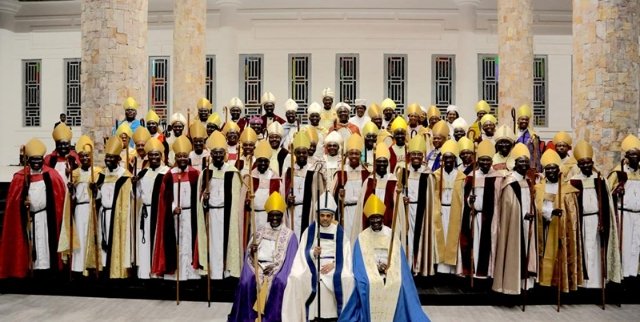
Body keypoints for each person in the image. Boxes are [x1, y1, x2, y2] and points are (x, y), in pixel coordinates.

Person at [339, 195, 430, 322]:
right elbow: (360, 263)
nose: (375, 221)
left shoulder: (391, 235)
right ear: (368, 219)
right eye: (372, 218)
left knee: (397, 282)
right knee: (370, 284)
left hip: (389, 270)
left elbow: (398, 260)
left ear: (383, 218)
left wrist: (389, 268)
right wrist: (375, 269)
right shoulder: (362, 237)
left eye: (378, 217)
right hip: (370, 272)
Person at [282, 192, 354, 322]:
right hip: (313, 263)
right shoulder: (310, 230)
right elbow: (302, 252)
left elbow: (346, 252)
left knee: (347, 278)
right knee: (296, 278)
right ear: (317, 215)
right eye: (322, 215)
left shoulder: (338, 230)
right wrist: (312, 253)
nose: (325, 218)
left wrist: (334, 264)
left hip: (334, 264)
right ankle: (309, 315)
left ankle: (338, 315)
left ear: (332, 216)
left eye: (328, 216)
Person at [0, 138, 66, 278]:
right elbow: (14, 202)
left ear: (42, 159)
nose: (36, 163)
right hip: (29, 217)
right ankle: (29, 269)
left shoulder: (52, 175)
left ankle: (46, 270)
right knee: (29, 242)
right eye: (33, 160)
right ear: (28, 161)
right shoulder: (20, 177)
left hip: (45, 217)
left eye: (39, 159)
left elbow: (59, 198)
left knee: (45, 243)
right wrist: (22, 204)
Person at [228, 192, 298, 322]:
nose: (275, 218)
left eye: (278, 215)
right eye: (272, 215)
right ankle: (248, 318)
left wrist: (275, 269)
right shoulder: (259, 231)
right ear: (268, 216)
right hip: (257, 265)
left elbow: (290, 260)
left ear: (282, 216)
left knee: (280, 283)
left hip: (277, 267)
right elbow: (249, 255)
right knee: (246, 282)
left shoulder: (289, 235)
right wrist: (251, 251)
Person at [569, 140, 621, 288]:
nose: (586, 166)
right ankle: (583, 284)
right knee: (584, 250)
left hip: (597, 221)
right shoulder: (573, 181)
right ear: (578, 165)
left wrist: (603, 221)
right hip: (582, 222)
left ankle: (597, 283)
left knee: (597, 251)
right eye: (583, 163)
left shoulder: (600, 180)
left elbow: (607, 203)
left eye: (588, 163)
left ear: (592, 163)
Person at [151, 136, 201, 281]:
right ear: (176, 157)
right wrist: (173, 208)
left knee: (190, 244)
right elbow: (165, 197)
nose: (182, 158)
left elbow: (199, 195)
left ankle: (191, 275)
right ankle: (176, 276)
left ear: (188, 157)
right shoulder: (169, 175)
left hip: (191, 214)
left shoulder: (195, 174)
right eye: (179, 156)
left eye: (185, 156)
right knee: (176, 244)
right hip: (175, 216)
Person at [492, 143, 537, 294]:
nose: (524, 164)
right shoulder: (510, 182)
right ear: (514, 164)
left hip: (527, 224)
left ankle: (525, 285)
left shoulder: (528, 181)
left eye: (526, 161)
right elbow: (507, 206)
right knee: (514, 251)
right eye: (520, 162)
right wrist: (521, 215)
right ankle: (511, 286)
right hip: (515, 226)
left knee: (526, 251)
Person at [534, 149, 582, 292]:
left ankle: (561, 281)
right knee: (545, 254)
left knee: (561, 253)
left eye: (554, 168)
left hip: (562, 226)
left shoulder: (566, 187)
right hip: (545, 224)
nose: (551, 171)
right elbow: (536, 206)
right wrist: (550, 212)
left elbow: (572, 210)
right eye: (548, 169)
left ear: (558, 169)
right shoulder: (538, 187)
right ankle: (544, 282)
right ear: (544, 171)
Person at [198, 131, 243, 279]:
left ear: (225, 154)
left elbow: (237, 197)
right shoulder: (205, 172)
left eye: (220, 153)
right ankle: (213, 274)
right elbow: (199, 198)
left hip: (226, 214)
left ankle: (227, 273)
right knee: (213, 244)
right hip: (211, 215)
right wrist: (204, 200)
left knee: (226, 243)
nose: (217, 156)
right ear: (210, 154)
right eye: (215, 153)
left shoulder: (233, 172)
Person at [458, 140, 503, 280]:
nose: (485, 163)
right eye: (482, 160)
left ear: (491, 161)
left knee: (488, 245)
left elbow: (500, 198)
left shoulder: (498, 177)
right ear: (478, 161)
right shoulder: (471, 176)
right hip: (475, 216)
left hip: (491, 217)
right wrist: (469, 202)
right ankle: (473, 270)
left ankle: (488, 271)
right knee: (474, 243)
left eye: (487, 160)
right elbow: (465, 196)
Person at [97, 136, 133, 278]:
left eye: (112, 158)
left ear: (118, 159)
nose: (109, 160)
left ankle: (117, 272)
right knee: (103, 242)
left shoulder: (124, 175)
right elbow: (98, 196)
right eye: (107, 157)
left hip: (118, 216)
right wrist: (94, 191)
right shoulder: (101, 174)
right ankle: (104, 270)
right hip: (104, 214)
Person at [66, 135, 102, 275]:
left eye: (87, 156)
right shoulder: (74, 173)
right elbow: (73, 196)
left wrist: (95, 190)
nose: (85, 158)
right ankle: (78, 267)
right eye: (82, 156)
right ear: (79, 158)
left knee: (92, 237)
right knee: (80, 237)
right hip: (80, 209)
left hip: (92, 208)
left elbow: (101, 195)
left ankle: (92, 266)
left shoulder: (98, 172)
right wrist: (71, 190)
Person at [133, 137, 169, 279]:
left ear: (161, 155)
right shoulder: (143, 173)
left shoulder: (166, 172)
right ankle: (145, 274)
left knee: (157, 242)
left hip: (160, 213)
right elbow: (137, 196)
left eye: (156, 154)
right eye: (151, 154)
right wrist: (134, 184)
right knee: (145, 243)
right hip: (145, 212)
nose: (154, 157)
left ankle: (158, 273)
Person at [352, 142, 400, 240]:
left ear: (388, 163)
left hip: (388, 220)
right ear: (375, 163)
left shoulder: (393, 181)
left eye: (384, 161)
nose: (382, 164)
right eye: (379, 161)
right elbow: (362, 204)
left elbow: (398, 207)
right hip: (371, 222)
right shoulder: (369, 181)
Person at [403, 134, 436, 274]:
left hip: (422, 211)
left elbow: (431, 196)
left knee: (421, 236)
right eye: (413, 154)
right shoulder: (402, 170)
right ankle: (407, 267)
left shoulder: (428, 173)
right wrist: (402, 199)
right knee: (407, 237)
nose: (416, 156)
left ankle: (418, 267)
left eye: (419, 154)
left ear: (423, 156)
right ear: (409, 155)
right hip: (407, 208)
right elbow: (397, 190)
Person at [608, 134, 640, 279]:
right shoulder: (618, 172)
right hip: (624, 214)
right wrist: (616, 191)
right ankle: (623, 276)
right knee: (625, 245)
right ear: (626, 155)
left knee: (637, 245)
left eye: (637, 154)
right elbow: (607, 191)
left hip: (639, 214)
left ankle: (635, 276)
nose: (635, 157)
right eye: (632, 154)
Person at [432, 140, 465, 275]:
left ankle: (453, 269)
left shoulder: (461, 176)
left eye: (451, 158)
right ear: (443, 159)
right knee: (441, 237)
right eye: (446, 158)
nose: (449, 160)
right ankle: (441, 268)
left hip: (454, 210)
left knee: (453, 238)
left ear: (455, 159)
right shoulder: (436, 175)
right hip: (440, 210)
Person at [283, 131, 325, 238]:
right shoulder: (289, 172)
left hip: (309, 211)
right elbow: (282, 191)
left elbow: (320, 193)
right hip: (292, 210)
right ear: (294, 154)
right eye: (299, 153)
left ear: (307, 153)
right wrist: (287, 199)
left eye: (304, 152)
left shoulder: (313, 171)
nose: (301, 155)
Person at [331, 134, 370, 242]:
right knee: (346, 238)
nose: (354, 156)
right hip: (346, 211)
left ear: (360, 155)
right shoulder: (340, 173)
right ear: (347, 155)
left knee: (359, 238)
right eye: (351, 153)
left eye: (356, 154)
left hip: (360, 211)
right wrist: (339, 195)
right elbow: (332, 193)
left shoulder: (366, 173)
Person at [241, 140, 281, 232]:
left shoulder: (274, 177)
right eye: (260, 161)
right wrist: (246, 202)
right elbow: (243, 197)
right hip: (253, 215)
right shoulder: (250, 176)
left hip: (268, 216)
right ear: (257, 162)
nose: (263, 164)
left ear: (269, 162)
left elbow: (279, 197)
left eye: (265, 161)